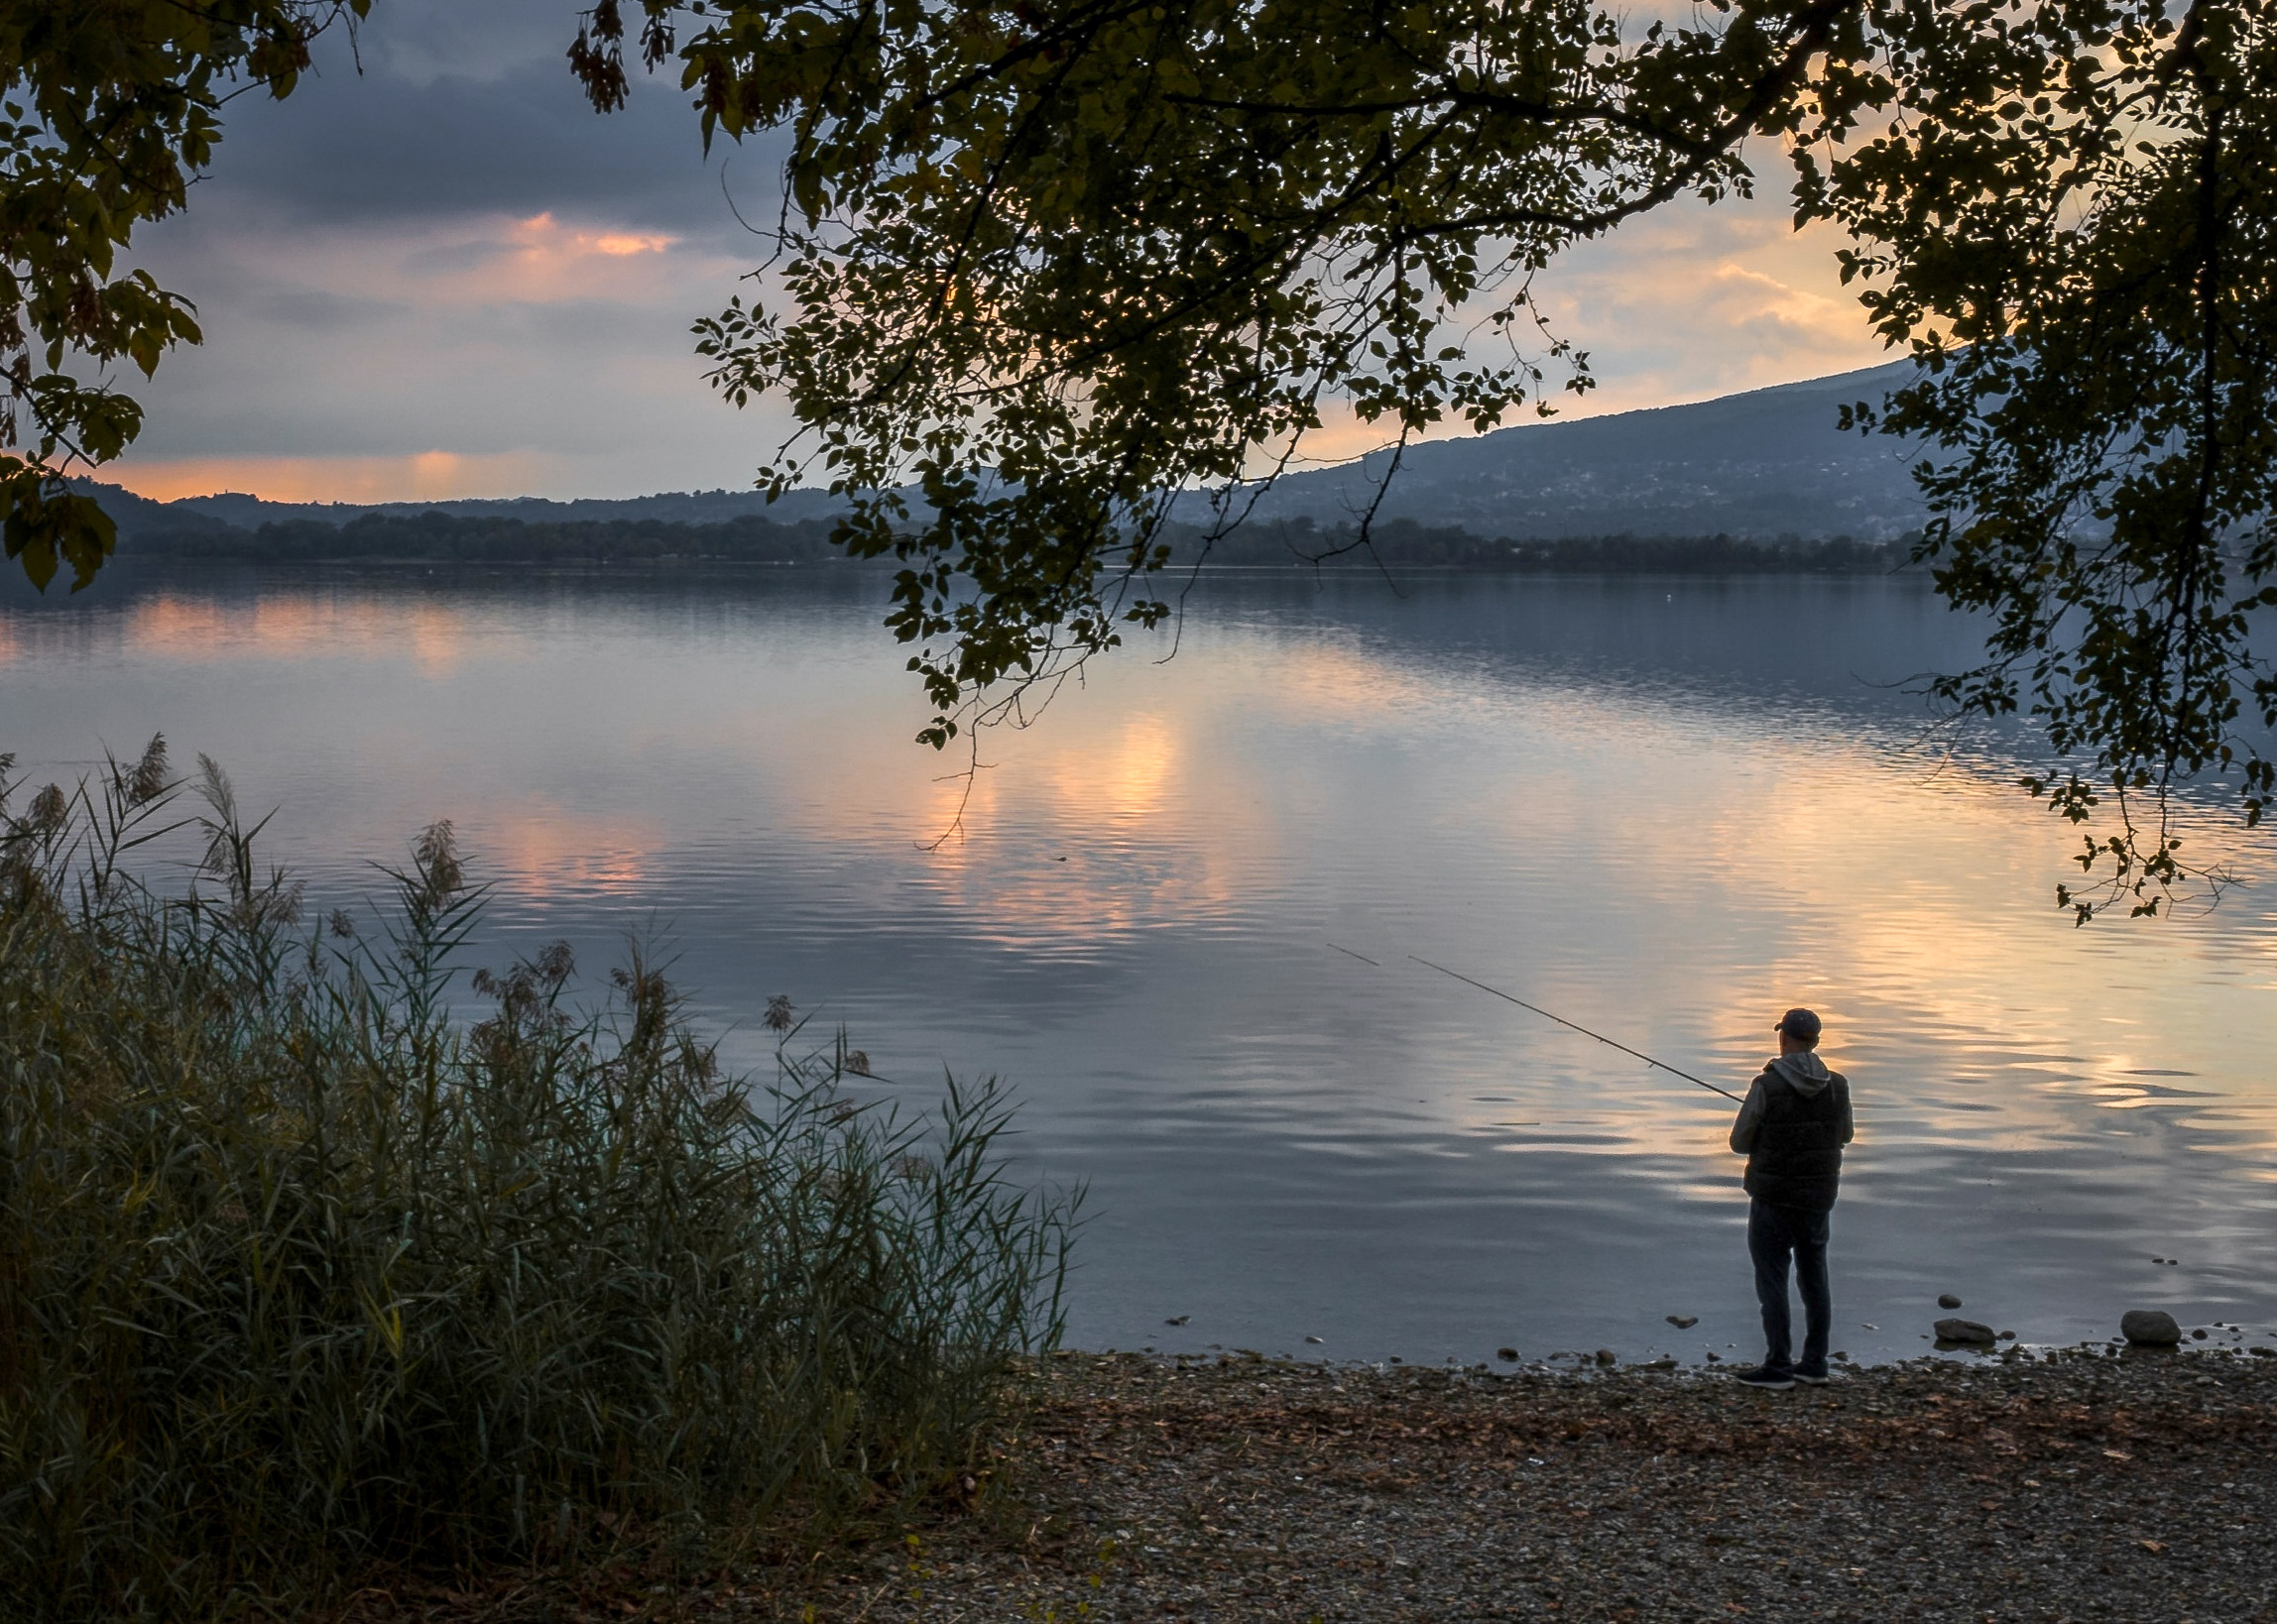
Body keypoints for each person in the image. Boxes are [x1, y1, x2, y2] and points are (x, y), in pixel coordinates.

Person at [1728, 1007, 1854, 1390]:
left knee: (1773, 1281)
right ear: (1816, 1041)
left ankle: (1779, 1366)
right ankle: (1815, 1364)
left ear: (1783, 1038)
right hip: (1818, 1198)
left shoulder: (1766, 1085)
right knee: (1815, 1280)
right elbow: (1846, 1135)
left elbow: (1738, 1142)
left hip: (1773, 1198)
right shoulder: (1838, 1085)